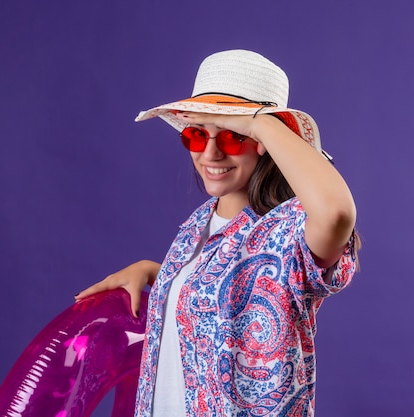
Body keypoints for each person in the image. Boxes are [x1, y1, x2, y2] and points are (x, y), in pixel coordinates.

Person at [75, 49, 359, 417]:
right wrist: (158, 273)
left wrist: (260, 122)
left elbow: (337, 213)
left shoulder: (292, 229)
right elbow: (225, 299)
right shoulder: (198, 226)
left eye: (231, 137)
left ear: (264, 143)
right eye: (196, 135)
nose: (210, 153)